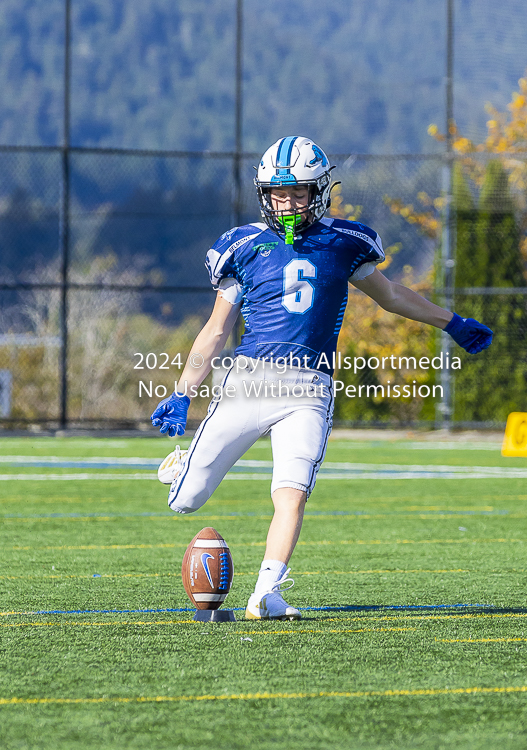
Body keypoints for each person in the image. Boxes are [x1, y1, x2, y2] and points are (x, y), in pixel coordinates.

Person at [151, 136, 493, 621]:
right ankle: (179, 466)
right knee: (186, 501)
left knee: (292, 491)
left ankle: (266, 593)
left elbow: (391, 295)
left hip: (310, 389)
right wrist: (183, 393)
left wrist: (450, 321)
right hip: (249, 382)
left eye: (297, 194)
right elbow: (215, 330)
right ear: (263, 194)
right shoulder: (243, 245)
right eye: (277, 194)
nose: (286, 204)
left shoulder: (345, 242)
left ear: (320, 191)